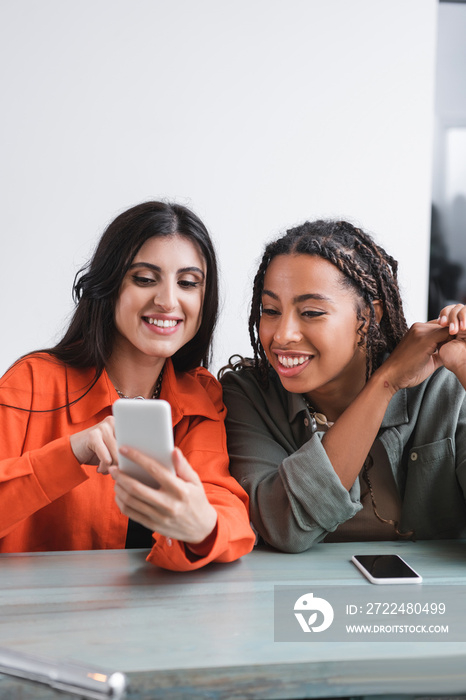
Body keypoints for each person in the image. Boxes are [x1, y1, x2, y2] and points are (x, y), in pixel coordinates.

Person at [0, 201, 255, 570]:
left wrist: (204, 527)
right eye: (145, 279)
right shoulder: (32, 382)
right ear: (109, 286)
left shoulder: (201, 396)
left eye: (187, 283)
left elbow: (225, 507)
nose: (168, 301)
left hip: (149, 619)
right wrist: (70, 453)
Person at [221, 219, 466, 552]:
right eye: (270, 310)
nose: (282, 335)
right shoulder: (249, 395)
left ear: (369, 316)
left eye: (310, 312)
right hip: (299, 602)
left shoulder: (445, 386)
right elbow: (284, 527)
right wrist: (384, 384)